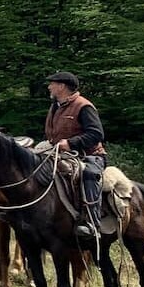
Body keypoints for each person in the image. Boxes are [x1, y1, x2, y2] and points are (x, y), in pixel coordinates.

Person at [44, 71, 107, 240]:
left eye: (52, 84)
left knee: (88, 175)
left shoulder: (83, 106)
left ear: (62, 86)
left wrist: (70, 143)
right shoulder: (55, 106)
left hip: (89, 156)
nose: (49, 87)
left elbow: (96, 134)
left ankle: (92, 223)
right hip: (61, 154)